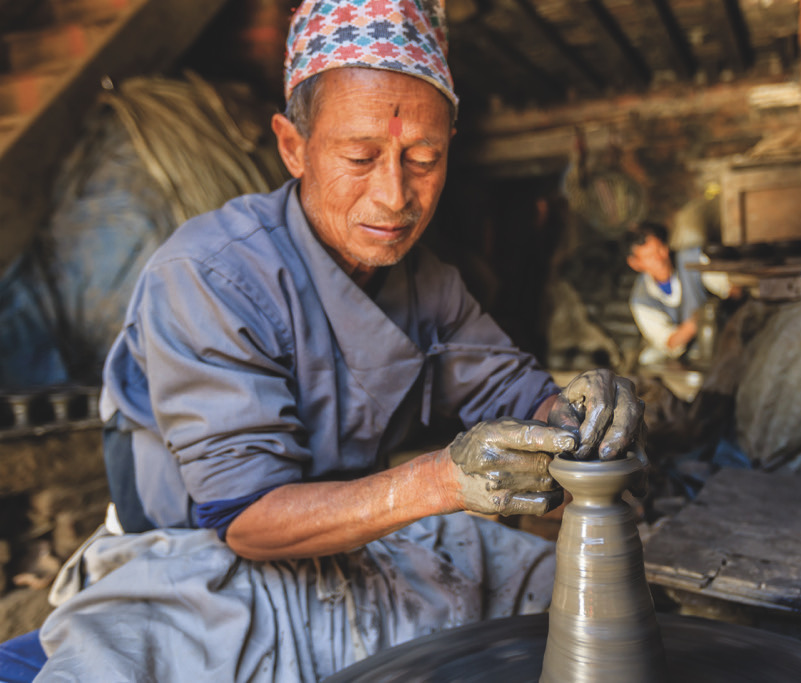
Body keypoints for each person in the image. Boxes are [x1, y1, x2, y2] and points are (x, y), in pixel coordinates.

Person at [0, 1, 643, 681]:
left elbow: (517, 391)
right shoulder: (210, 274)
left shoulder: (430, 285)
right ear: (292, 146)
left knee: (562, 591)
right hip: (202, 565)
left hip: (359, 540)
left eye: (424, 157)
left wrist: (575, 415)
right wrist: (444, 480)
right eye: (361, 156)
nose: (395, 195)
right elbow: (246, 517)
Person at [626, 221, 726, 366]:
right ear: (635, 263)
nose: (659, 260)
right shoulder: (640, 300)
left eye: (660, 250)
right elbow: (670, 342)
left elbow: (729, 289)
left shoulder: (692, 259)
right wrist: (699, 319)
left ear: (666, 246)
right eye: (649, 257)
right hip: (686, 359)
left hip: (720, 347)